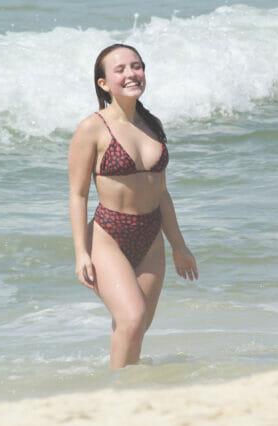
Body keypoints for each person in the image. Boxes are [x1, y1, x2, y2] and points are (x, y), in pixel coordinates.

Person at [68, 43, 198, 368]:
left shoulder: (152, 126)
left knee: (136, 328)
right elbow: (78, 194)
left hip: (151, 236)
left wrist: (179, 246)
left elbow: (162, 194)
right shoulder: (92, 128)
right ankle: (116, 396)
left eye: (136, 66)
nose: (131, 74)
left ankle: (126, 394)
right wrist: (81, 252)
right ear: (103, 83)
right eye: (121, 69)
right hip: (108, 235)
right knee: (132, 318)